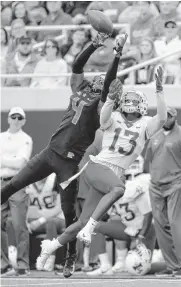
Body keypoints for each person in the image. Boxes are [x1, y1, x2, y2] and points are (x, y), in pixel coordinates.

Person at [1, 32, 128, 278]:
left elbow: (111, 76)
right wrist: (94, 44)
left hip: (69, 165)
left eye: (106, 82)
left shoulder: (102, 106)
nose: (102, 81)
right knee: (14, 183)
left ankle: (70, 259)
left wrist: (117, 55)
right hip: (49, 153)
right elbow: (78, 64)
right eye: (101, 79)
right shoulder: (80, 87)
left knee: (69, 213)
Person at [36, 65, 167, 276]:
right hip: (99, 167)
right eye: (129, 100)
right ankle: (90, 229)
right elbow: (103, 117)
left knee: (81, 221)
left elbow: (161, 118)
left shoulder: (145, 124)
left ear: (142, 105)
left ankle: (50, 246)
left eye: (135, 101)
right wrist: (109, 100)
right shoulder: (113, 116)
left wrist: (159, 91)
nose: (131, 104)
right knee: (118, 189)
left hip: (111, 174)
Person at [87, 166, 156, 276]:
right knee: (95, 225)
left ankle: (167, 265)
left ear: (123, 176)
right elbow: (107, 215)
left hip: (145, 231)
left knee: (141, 269)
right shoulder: (109, 192)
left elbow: (148, 214)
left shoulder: (134, 188)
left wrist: (140, 237)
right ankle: (106, 266)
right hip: (129, 230)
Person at [145, 107, 181, 277]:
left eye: (169, 117)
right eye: (163, 116)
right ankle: (172, 266)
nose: (166, 119)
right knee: (160, 225)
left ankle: (180, 265)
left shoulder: (180, 134)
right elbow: (149, 160)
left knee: (175, 224)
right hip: (156, 186)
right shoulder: (154, 135)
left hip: (176, 184)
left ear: (175, 117)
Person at [1, 107, 33, 276]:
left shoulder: (26, 139)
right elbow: (13, 161)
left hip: (17, 184)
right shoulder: (0, 137)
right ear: (8, 119)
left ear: (23, 121)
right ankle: (4, 263)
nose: (16, 120)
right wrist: (9, 161)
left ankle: (22, 264)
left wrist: (2, 160)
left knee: (19, 225)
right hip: (1, 183)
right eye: (13, 116)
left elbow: (20, 163)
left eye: (19, 117)